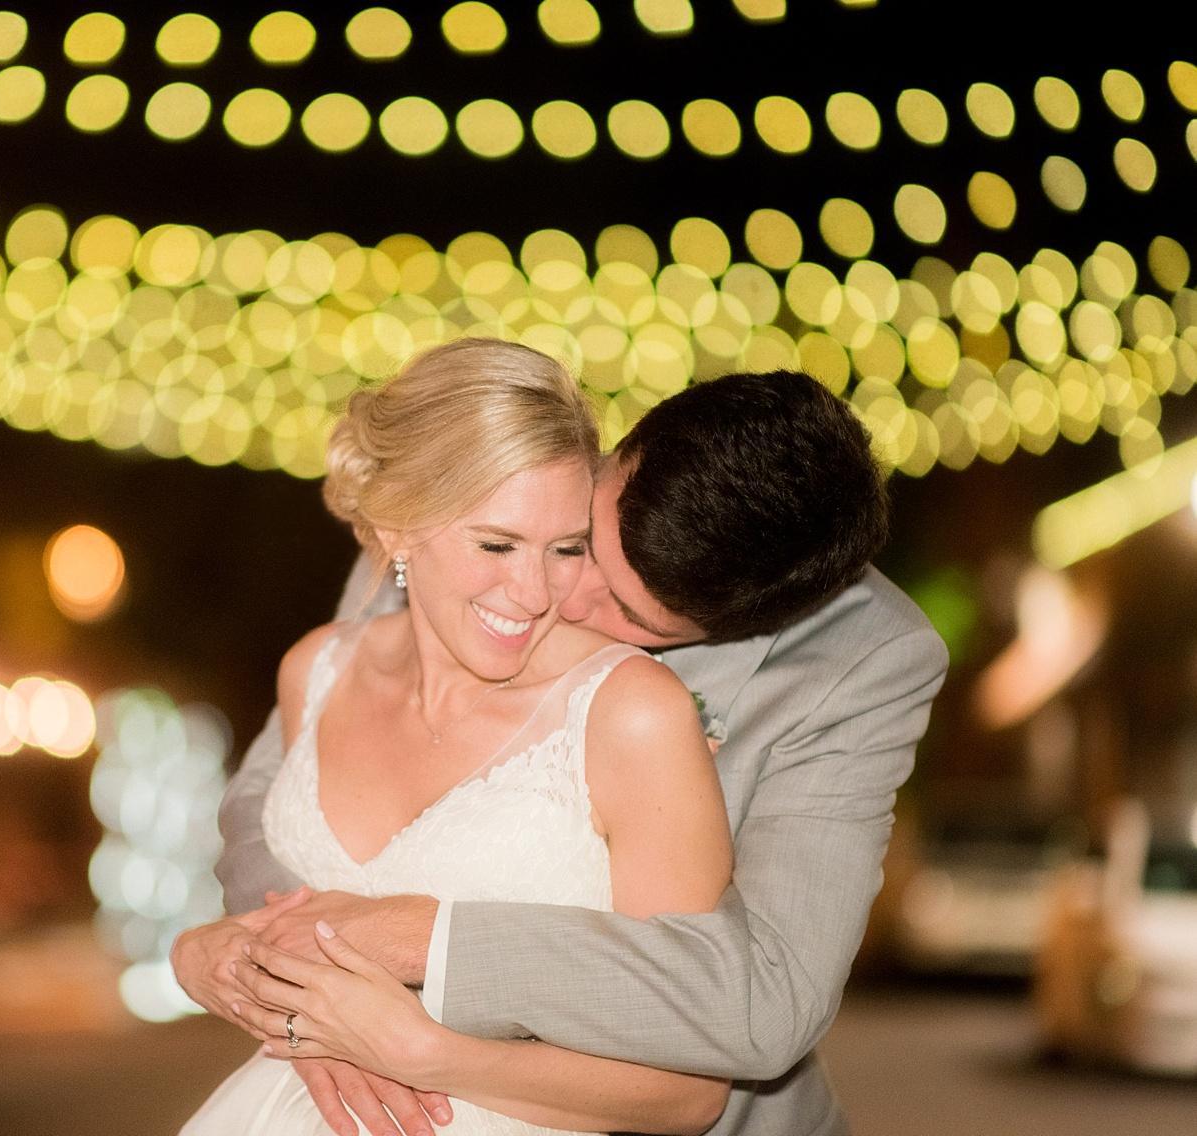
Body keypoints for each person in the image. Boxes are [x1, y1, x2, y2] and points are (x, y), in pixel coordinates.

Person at [174, 357, 949, 1136]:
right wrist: (283, 982)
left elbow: (761, 1000)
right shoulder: (478, 503)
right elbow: (268, 793)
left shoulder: (860, 660)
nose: (550, 599)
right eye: (590, 546)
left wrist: (416, 956)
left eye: (633, 617)